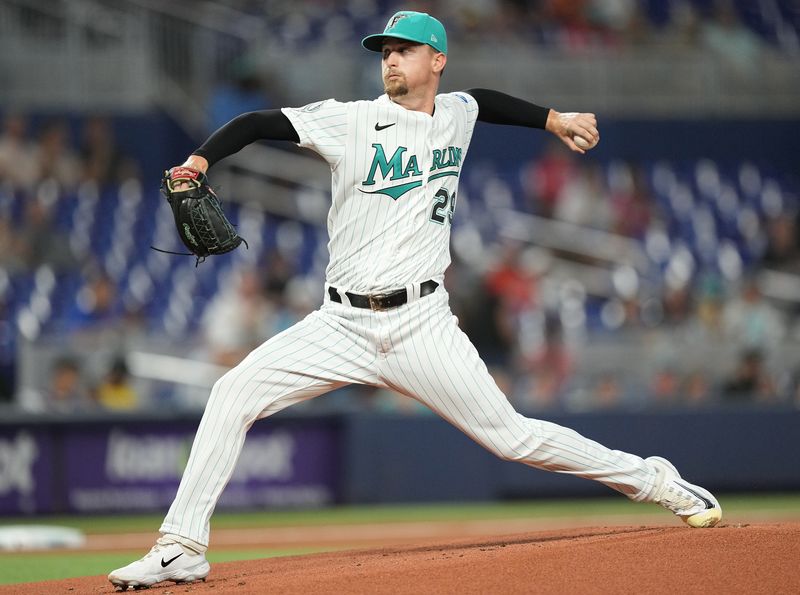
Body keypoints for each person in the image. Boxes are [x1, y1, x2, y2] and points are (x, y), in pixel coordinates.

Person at [108, 11, 721, 589]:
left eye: (404, 51)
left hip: (421, 323)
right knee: (232, 392)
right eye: (385, 52)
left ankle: (653, 479)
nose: (391, 60)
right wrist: (200, 157)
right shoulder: (349, 119)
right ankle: (182, 548)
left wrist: (555, 119)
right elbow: (260, 122)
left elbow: (488, 103)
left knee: (514, 439)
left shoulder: (456, 112)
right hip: (340, 322)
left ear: (437, 60)